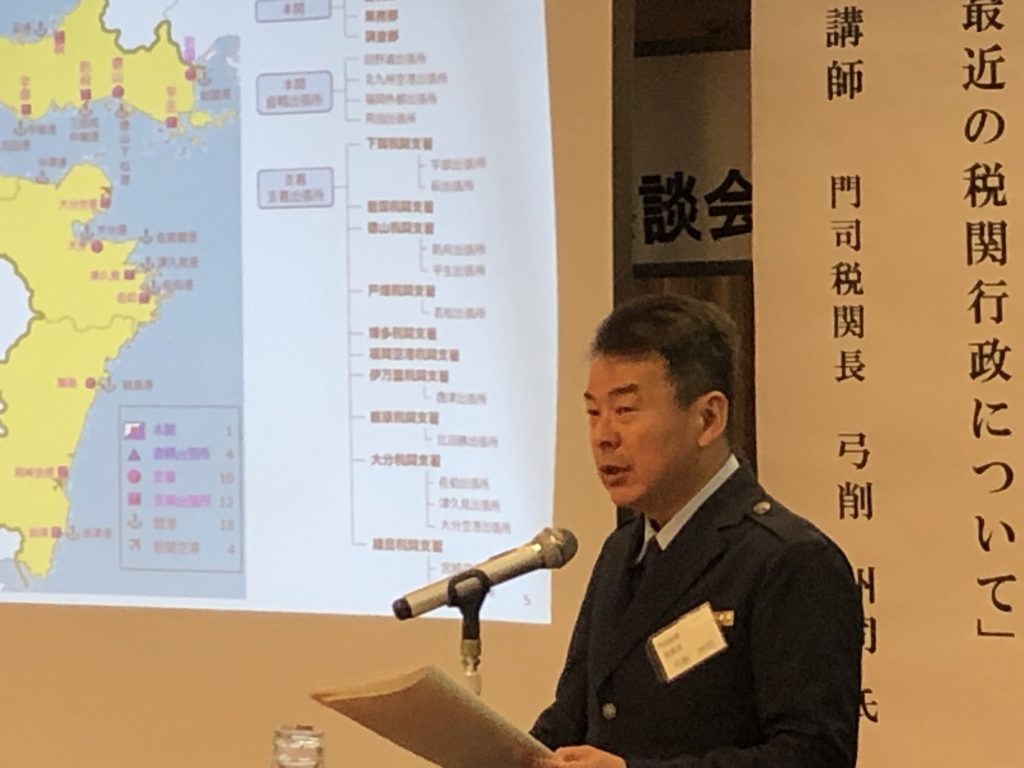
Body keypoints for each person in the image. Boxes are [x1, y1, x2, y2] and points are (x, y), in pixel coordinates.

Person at [531, 294, 863, 768]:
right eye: (592, 412)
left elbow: (813, 756)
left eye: (625, 410)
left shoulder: (789, 560)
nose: (603, 436)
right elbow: (572, 716)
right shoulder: (621, 550)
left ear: (708, 418)